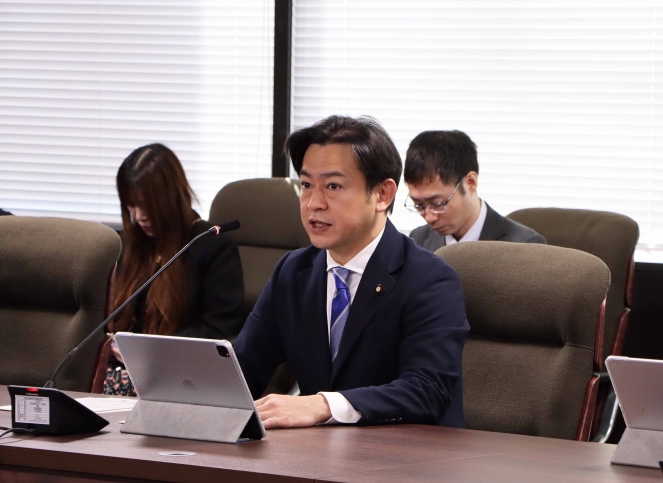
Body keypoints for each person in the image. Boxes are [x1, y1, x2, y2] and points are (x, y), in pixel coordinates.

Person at [234, 115, 469, 429]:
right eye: (306, 185)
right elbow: (243, 369)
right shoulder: (293, 272)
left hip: (409, 453)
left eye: (333, 186)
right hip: (317, 451)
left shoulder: (430, 279)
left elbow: (426, 391)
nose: (314, 203)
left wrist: (324, 405)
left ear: (382, 195)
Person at [104, 143, 244, 395]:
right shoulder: (129, 242)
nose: (139, 215)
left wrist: (148, 351)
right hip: (121, 370)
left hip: (181, 376)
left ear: (171, 198)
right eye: (131, 205)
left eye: (147, 205)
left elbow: (219, 332)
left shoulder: (211, 245)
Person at [404, 130, 546, 252]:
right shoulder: (419, 240)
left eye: (438, 203)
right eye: (419, 205)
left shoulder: (526, 247)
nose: (429, 217)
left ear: (470, 182)